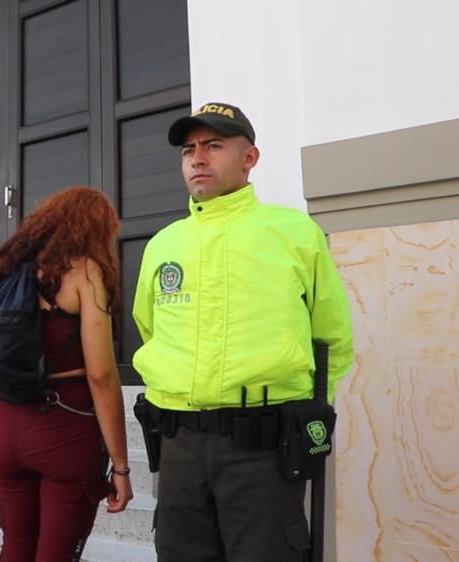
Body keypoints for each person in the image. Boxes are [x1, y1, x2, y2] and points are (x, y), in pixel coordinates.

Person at [131, 102, 353, 561]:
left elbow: (331, 337)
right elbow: (149, 328)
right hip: (179, 448)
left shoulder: (294, 233)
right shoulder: (163, 245)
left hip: (263, 451)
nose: (198, 158)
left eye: (214, 145)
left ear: (249, 158)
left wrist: (307, 418)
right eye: (189, 149)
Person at [0, 188, 133, 560]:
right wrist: (121, 465)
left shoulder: (3, 274)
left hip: (9, 434)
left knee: (15, 549)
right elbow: (102, 376)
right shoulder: (84, 272)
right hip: (67, 434)